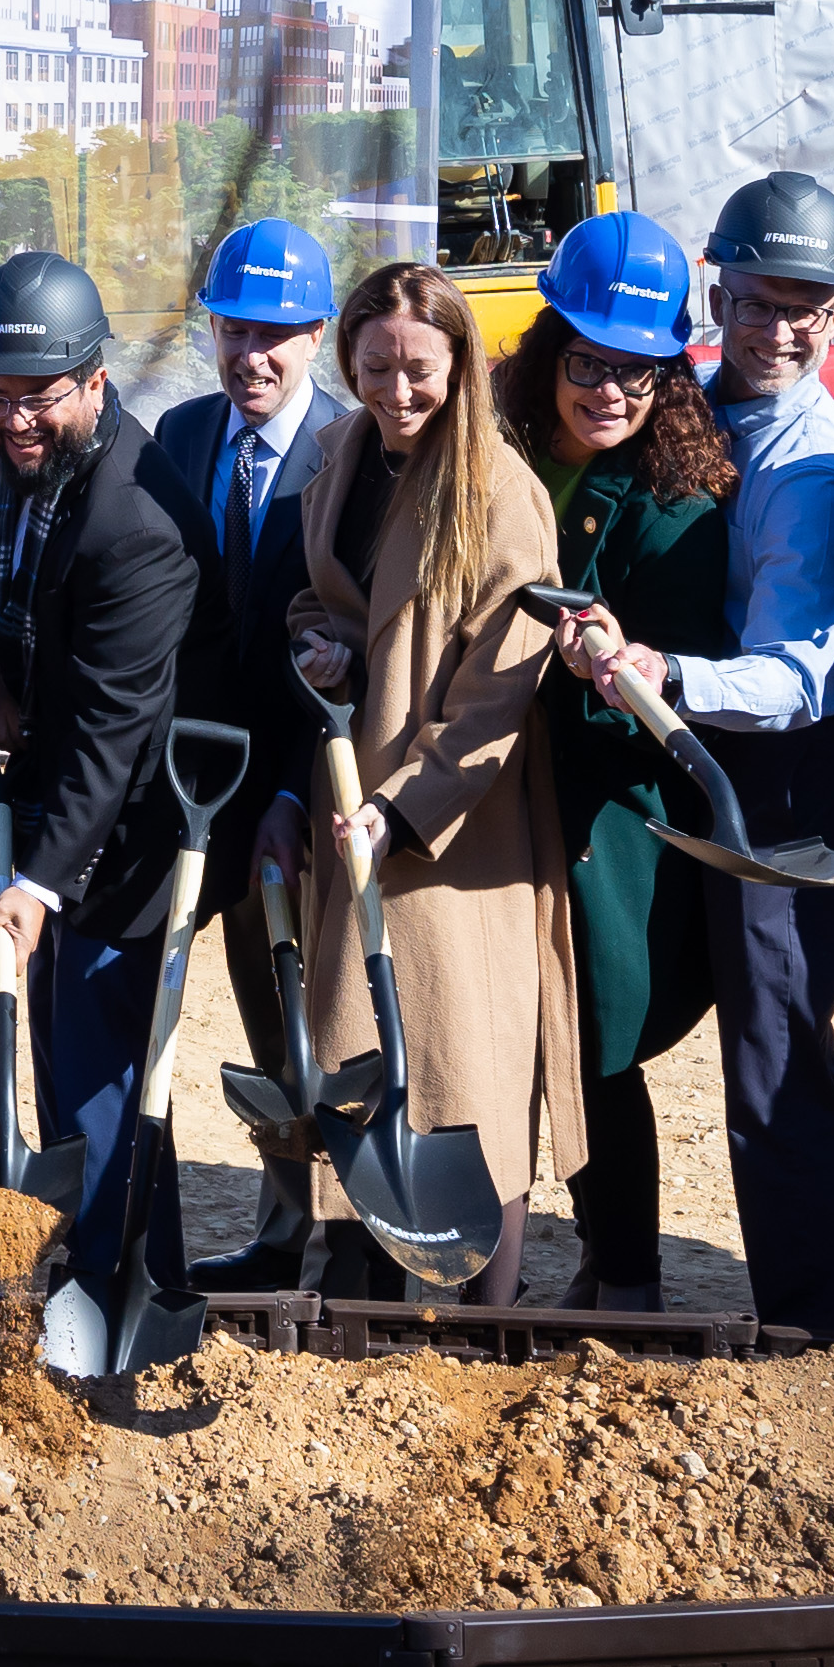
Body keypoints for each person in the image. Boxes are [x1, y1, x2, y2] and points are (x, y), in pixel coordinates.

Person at [260, 260, 572, 1302]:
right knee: (362, 1046)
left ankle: (488, 1305)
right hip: (357, 789)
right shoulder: (346, 452)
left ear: (462, 365)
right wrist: (323, 650)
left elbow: (499, 697)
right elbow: (329, 599)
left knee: (467, 1057)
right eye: (378, 364)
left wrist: (405, 809)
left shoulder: (500, 491)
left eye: (421, 368)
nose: (398, 389)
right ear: (348, 356)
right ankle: (363, 1292)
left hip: (451, 829)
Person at [647, 169, 834, 1342]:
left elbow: (797, 674)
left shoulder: (814, 468)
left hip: (795, 769)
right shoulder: (701, 408)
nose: (784, 329)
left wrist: (668, 676)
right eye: (760, 301)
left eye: (811, 307)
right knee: (785, 1034)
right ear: (720, 291)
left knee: (769, 1054)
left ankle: (814, 1329)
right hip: (720, 753)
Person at [504, 212, 743, 1314]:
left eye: (640, 372)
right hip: (490, 786)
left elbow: (665, 695)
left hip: (604, 801)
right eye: (592, 362)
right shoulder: (498, 452)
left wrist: (600, 668)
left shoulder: (676, 504)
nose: (612, 392)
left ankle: (627, 1273)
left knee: (597, 1035)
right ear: (553, 345)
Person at [0, 252, 207, 1310]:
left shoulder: (134, 524)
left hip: (136, 827)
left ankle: (126, 1284)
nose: (17, 418)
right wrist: (3, 686)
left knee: (104, 1063)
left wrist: (39, 880)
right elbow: (11, 589)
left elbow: (116, 730)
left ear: (96, 384)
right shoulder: (38, 473)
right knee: (66, 1053)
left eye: (41, 397)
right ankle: (107, 1262)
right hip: (67, 802)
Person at [131, 218, 351, 1289]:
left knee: (317, 1005)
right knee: (254, 1008)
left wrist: (294, 789)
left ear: (317, 334)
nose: (251, 357)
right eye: (233, 330)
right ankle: (279, 1230)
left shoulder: (353, 453)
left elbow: (359, 641)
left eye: (277, 334)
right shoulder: (177, 437)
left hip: (313, 781)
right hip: (194, 776)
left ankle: (342, 1234)